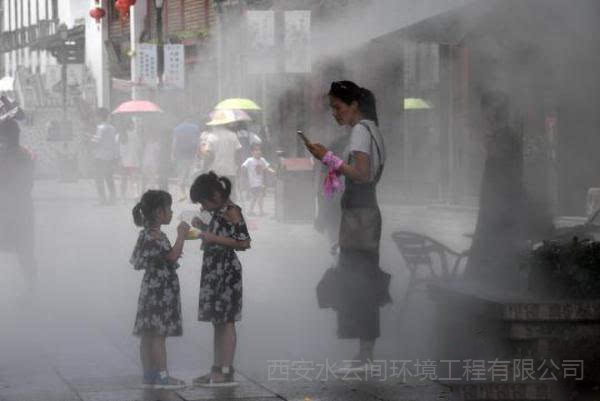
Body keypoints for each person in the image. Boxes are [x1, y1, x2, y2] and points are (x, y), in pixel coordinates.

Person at [306, 80, 390, 370]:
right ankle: (364, 352)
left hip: (360, 216)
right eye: (332, 108)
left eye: (337, 107)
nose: (334, 113)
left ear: (354, 105)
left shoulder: (360, 132)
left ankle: (365, 355)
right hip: (364, 213)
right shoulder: (371, 129)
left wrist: (327, 158)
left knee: (360, 282)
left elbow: (362, 174)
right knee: (362, 279)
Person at [189, 171, 251, 387]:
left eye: (203, 202)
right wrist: (203, 227)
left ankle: (226, 370)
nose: (203, 207)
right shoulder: (216, 211)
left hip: (226, 270)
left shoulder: (232, 211)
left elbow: (244, 242)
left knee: (227, 321)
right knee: (217, 321)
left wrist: (211, 236)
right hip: (213, 269)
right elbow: (220, 234)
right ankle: (216, 369)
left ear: (215, 195)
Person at [130, 190, 190, 389]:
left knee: (148, 335)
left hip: (150, 290)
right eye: (169, 209)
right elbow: (172, 256)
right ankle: (163, 377)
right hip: (160, 292)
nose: (171, 213)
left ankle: (149, 376)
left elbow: (143, 260)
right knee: (158, 335)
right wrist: (181, 235)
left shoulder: (146, 234)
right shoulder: (155, 236)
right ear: (158, 212)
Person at [0, 118, 37, 294]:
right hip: (22, 208)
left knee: (24, 251)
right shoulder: (25, 154)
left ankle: (31, 288)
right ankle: (32, 288)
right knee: (25, 251)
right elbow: (28, 182)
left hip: (9, 208)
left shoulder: (6, 156)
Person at [200, 111, 243, 200]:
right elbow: (238, 153)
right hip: (230, 171)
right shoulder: (233, 135)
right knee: (230, 195)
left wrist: (204, 168)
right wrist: (238, 166)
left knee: (216, 196)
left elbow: (209, 156)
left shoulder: (211, 137)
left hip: (215, 171)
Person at [91, 108, 119, 205]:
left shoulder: (100, 128)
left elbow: (96, 141)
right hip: (109, 157)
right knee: (109, 178)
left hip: (100, 157)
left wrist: (90, 139)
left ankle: (102, 199)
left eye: (96, 116)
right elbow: (114, 143)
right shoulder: (112, 128)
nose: (95, 118)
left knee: (99, 179)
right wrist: (116, 156)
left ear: (99, 117)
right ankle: (113, 199)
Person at [241, 143, 275, 216]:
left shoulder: (262, 160)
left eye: (259, 150)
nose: (258, 151)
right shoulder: (249, 160)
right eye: (256, 150)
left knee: (258, 197)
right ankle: (258, 211)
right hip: (253, 183)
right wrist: (243, 179)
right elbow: (243, 167)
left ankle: (253, 211)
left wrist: (273, 171)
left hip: (260, 182)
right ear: (252, 152)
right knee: (256, 197)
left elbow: (267, 168)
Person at [172, 118, 200, 201]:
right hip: (192, 154)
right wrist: (198, 152)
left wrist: (172, 154)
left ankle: (182, 194)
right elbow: (198, 141)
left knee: (182, 174)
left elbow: (174, 142)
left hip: (181, 154)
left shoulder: (177, 128)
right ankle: (191, 196)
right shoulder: (195, 128)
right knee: (192, 175)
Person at [118, 118, 140, 199]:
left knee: (123, 180)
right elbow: (139, 147)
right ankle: (135, 195)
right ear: (131, 125)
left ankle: (123, 196)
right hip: (133, 161)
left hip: (123, 161)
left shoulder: (120, 135)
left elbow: (119, 148)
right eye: (133, 124)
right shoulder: (135, 135)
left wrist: (119, 159)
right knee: (134, 179)